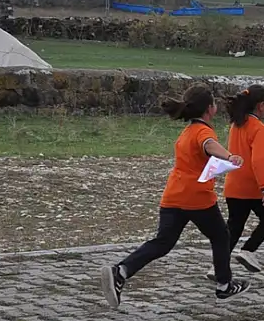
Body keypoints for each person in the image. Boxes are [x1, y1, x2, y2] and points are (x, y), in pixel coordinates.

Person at [100, 85, 252, 309]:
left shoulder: (187, 131)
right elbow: (208, 145)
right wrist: (230, 156)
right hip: (197, 197)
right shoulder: (203, 131)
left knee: (163, 243)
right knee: (221, 236)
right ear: (210, 109)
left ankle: (121, 271)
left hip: (173, 195)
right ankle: (223, 285)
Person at [209, 84, 264, 280]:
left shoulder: (236, 124)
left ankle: (217, 266)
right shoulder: (259, 128)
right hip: (252, 185)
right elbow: (257, 160)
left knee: (235, 226)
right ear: (260, 105)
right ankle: (248, 250)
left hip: (234, 183)